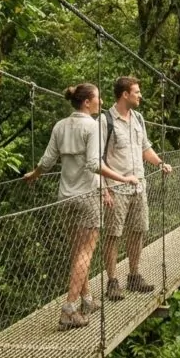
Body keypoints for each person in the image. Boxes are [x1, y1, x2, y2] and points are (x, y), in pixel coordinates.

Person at [23, 83, 139, 331]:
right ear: (87, 102)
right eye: (98, 98)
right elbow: (94, 165)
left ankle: (86, 299)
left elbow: (47, 160)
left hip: (65, 197)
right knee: (85, 253)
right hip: (87, 198)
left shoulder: (60, 125)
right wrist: (123, 178)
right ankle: (69, 308)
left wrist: (34, 174)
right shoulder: (93, 126)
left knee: (78, 253)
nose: (101, 102)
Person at [100, 76, 172, 300]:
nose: (141, 96)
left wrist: (159, 163)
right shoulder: (105, 121)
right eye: (137, 92)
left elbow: (145, 149)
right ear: (125, 95)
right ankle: (112, 281)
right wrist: (104, 188)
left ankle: (133, 276)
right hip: (116, 188)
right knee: (113, 235)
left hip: (139, 186)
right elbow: (97, 159)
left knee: (138, 231)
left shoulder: (138, 118)